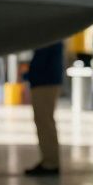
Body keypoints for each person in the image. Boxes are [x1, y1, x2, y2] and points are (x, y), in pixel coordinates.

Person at [24, 41, 64, 176]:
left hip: (45, 82)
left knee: (45, 122)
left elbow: (41, 61)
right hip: (45, 81)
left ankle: (51, 163)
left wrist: (29, 75)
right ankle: (49, 160)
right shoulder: (52, 35)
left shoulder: (50, 36)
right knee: (44, 121)